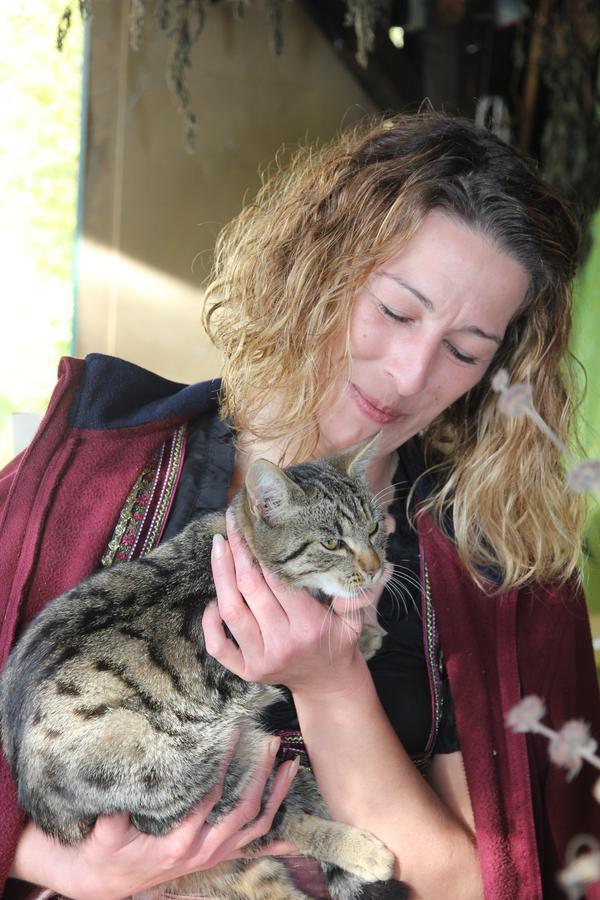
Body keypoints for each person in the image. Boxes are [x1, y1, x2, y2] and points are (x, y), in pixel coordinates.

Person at [1, 112, 599, 900]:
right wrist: (60, 863)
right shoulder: (101, 456)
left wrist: (331, 683)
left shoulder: (496, 560)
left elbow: (479, 884)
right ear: (321, 268)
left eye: (465, 350)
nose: (411, 373)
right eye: (395, 311)